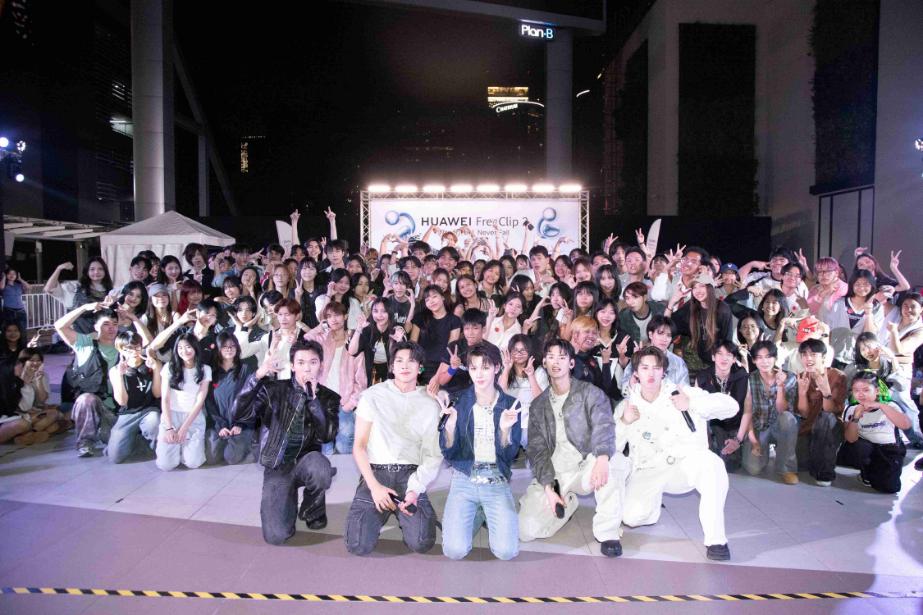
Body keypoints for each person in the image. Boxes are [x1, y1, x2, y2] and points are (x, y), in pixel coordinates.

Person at [615, 346, 739, 561]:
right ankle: (652, 506)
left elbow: (732, 407)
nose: (651, 373)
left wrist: (692, 403)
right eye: (645, 368)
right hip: (649, 470)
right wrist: (624, 422)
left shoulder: (681, 392)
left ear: (664, 372)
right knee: (632, 517)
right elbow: (612, 447)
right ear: (636, 373)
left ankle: (716, 540)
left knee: (713, 465)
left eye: (656, 368)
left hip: (685, 464)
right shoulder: (628, 405)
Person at [518, 338, 629, 558]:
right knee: (526, 531)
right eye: (551, 357)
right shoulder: (538, 405)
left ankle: (608, 533)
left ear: (571, 363)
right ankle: (566, 501)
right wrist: (549, 489)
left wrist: (602, 458)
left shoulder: (590, 393)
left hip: (586, 466)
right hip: (557, 473)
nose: (556, 362)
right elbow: (537, 450)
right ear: (544, 363)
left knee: (614, 462)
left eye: (562, 357)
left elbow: (604, 427)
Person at [231, 340, 340, 544]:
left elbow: (327, 435)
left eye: (313, 362)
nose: (307, 368)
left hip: (309, 461)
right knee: (276, 535)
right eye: (301, 362)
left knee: (320, 470)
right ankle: (287, 499)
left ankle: (312, 509)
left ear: (321, 365)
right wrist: (257, 377)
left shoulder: (328, 397)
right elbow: (238, 413)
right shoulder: (273, 390)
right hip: (278, 463)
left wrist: (314, 401)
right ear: (292, 366)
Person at [346, 341, 442, 556]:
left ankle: (409, 512)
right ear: (391, 366)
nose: (405, 366)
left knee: (422, 543)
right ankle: (378, 511)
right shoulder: (372, 395)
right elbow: (359, 446)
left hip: (410, 475)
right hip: (377, 472)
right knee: (357, 545)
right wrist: (374, 487)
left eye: (411, 361)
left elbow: (432, 454)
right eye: (399, 361)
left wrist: (415, 489)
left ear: (420, 367)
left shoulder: (430, 402)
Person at [438, 343, 522, 561]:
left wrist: (504, 431)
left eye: (485, 367)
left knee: (506, 552)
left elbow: (510, 455)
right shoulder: (458, 402)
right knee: (454, 551)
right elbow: (450, 453)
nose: (479, 374)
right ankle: (478, 511)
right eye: (473, 368)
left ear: (497, 367)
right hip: (464, 477)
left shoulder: (511, 405)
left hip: (496, 478)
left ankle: (487, 510)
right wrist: (449, 427)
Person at [54, 302, 123, 457]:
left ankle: (105, 432)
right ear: (96, 327)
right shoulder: (85, 344)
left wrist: (133, 318)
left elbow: (149, 343)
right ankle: (85, 442)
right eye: (106, 324)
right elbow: (60, 326)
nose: (111, 328)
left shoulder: (124, 347)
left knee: (117, 444)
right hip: (94, 404)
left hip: (116, 410)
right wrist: (84, 308)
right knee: (86, 399)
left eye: (115, 324)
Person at [304, 301, 367, 454]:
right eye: (329, 316)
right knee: (326, 448)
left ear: (345, 316)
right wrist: (321, 326)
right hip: (323, 402)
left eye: (337, 315)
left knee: (344, 447)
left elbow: (361, 380)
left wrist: (350, 404)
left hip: (344, 403)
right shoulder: (322, 340)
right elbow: (307, 337)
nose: (333, 319)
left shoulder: (353, 341)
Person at [838, 372, 910, 493]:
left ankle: (876, 472)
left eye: (866, 390)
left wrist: (881, 406)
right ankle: (866, 470)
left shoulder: (890, 405)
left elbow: (905, 425)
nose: (861, 394)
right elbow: (850, 439)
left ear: (877, 391)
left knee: (890, 487)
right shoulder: (852, 409)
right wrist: (856, 417)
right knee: (856, 449)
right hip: (866, 448)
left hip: (889, 449)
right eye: (856, 390)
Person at [742, 341, 800, 484]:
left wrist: (780, 387)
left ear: (775, 358)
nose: (764, 361)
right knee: (753, 469)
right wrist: (754, 441)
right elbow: (747, 413)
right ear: (754, 360)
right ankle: (763, 452)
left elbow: (782, 409)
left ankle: (786, 468)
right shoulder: (749, 379)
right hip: (758, 426)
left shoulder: (789, 377)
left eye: (768, 357)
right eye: (759, 357)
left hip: (778, 425)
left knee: (788, 418)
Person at [794, 338, 847, 486]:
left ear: (823, 357)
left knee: (825, 417)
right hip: (808, 427)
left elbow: (831, 410)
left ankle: (824, 474)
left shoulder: (837, 376)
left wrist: (826, 393)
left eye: (813, 354)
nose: (808, 358)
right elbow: (804, 413)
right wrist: (802, 393)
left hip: (830, 427)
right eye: (804, 354)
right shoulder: (802, 376)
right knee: (801, 465)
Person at [694, 341, 752, 472]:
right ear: (713, 357)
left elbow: (747, 411)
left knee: (731, 466)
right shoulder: (703, 377)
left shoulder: (742, 376)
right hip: (713, 426)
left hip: (735, 425)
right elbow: (696, 411)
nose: (724, 358)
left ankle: (736, 446)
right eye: (719, 353)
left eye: (729, 354)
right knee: (711, 464)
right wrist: (703, 440)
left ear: (734, 359)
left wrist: (738, 440)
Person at [156, 332, 211, 471]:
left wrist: (184, 428)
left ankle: (184, 449)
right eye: (180, 347)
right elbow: (165, 399)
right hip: (171, 416)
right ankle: (176, 449)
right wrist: (169, 428)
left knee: (193, 463)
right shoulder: (169, 367)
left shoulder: (205, 369)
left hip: (193, 417)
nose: (184, 351)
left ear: (195, 348)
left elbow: (200, 401)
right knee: (166, 465)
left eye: (188, 347)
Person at [107, 331, 162, 463]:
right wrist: (120, 376)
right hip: (128, 413)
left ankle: (143, 441)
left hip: (149, 410)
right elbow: (122, 401)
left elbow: (157, 394)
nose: (134, 352)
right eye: (128, 349)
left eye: (137, 347)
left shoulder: (153, 364)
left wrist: (155, 370)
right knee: (116, 457)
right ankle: (131, 439)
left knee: (154, 423)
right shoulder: (115, 371)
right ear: (120, 350)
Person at [204, 331, 255, 465]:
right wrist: (220, 426)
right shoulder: (212, 372)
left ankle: (247, 443)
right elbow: (209, 403)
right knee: (212, 458)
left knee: (231, 457)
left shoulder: (245, 369)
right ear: (218, 349)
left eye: (232, 346)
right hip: (219, 423)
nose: (229, 349)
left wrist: (240, 424)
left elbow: (250, 399)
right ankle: (226, 441)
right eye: (225, 346)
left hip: (241, 424)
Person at [498, 334, 548, 448]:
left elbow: (541, 400)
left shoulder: (538, 371)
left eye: (523, 350)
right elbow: (499, 395)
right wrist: (506, 369)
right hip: (510, 419)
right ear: (510, 352)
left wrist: (531, 375)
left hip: (531, 421)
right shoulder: (505, 370)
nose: (519, 353)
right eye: (515, 350)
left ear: (530, 352)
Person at [619, 316, 690, 396]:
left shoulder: (678, 362)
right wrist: (632, 382)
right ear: (650, 334)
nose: (664, 339)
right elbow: (625, 390)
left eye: (668, 335)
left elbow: (686, 390)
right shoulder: (639, 357)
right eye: (660, 333)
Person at [44, 258, 113, 334]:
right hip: (77, 335)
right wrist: (59, 269)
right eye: (92, 269)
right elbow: (49, 288)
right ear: (87, 271)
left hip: (102, 335)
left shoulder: (111, 291)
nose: (96, 272)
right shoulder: (74, 287)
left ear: (105, 271)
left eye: (100, 269)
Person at [1, 265, 30, 334]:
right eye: (9, 274)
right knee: (9, 331)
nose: (12, 275)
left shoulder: (18, 285)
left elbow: (28, 287)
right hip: (9, 311)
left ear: (16, 275)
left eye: (14, 274)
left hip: (21, 311)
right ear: (6, 275)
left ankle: (22, 341)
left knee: (22, 330)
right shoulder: (4, 284)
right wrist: (4, 277)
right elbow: (1, 287)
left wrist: (20, 279)